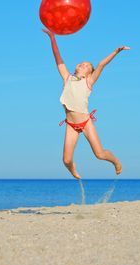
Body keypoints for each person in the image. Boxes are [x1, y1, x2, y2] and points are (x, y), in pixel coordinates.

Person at [43, 28, 131, 179]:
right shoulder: (67, 78)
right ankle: (72, 169)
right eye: (81, 63)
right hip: (71, 124)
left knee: (99, 154)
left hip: (85, 122)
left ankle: (116, 161)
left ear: (89, 73)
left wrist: (116, 51)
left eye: (86, 66)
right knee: (66, 160)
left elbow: (101, 64)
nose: (82, 65)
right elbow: (58, 59)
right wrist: (52, 38)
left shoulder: (88, 82)